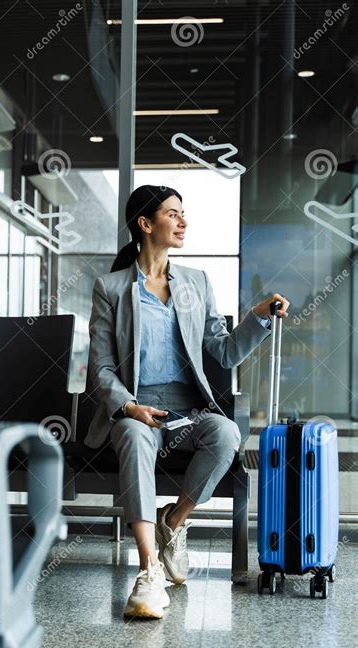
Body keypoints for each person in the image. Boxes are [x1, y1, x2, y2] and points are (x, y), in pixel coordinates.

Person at [84, 185, 289, 619]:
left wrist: (259, 316)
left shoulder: (195, 282)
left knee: (226, 433)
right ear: (145, 224)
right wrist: (130, 407)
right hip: (137, 411)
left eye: (183, 214)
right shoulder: (112, 288)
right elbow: (100, 370)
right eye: (173, 214)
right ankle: (149, 569)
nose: (183, 222)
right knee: (136, 439)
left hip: (188, 413)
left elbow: (225, 350)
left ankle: (173, 522)